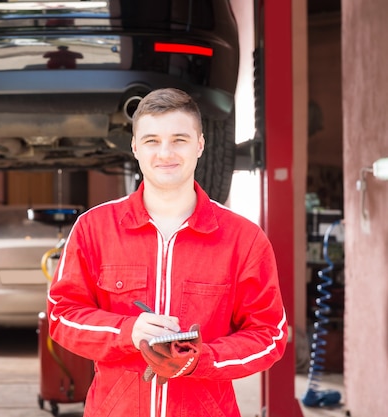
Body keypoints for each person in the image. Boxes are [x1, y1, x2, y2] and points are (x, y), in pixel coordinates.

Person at [46, 88, 288, 417]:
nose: (165, 153)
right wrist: (126, 331)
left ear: (200, 144)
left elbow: (269, 335)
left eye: (179, 139)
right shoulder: (94, 229)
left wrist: (201, 359)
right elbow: (63, 316)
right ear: (135, 147)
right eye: (152, 141)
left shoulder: (244, 239)